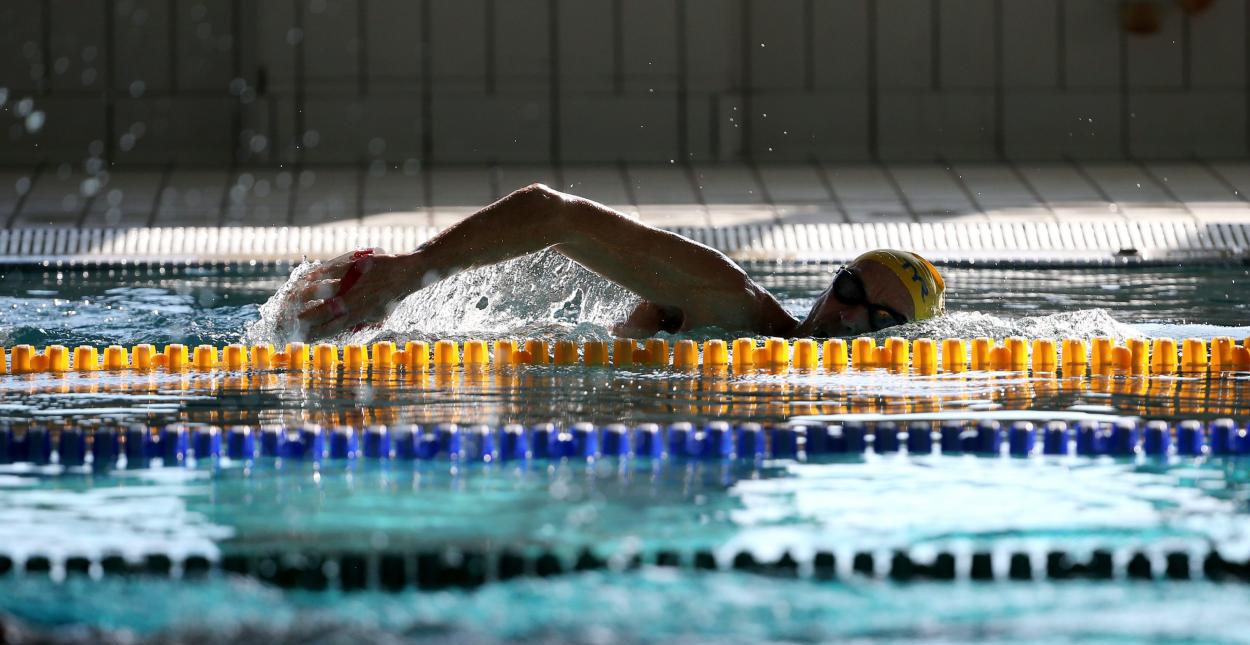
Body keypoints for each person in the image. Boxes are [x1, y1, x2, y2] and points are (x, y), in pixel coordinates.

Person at [292, 183, 944, 341]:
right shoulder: (731, 303)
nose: (849, 315)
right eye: (850, 288)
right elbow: (553, 214)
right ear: (831, 284)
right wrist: (409, 273)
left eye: (879, 318)